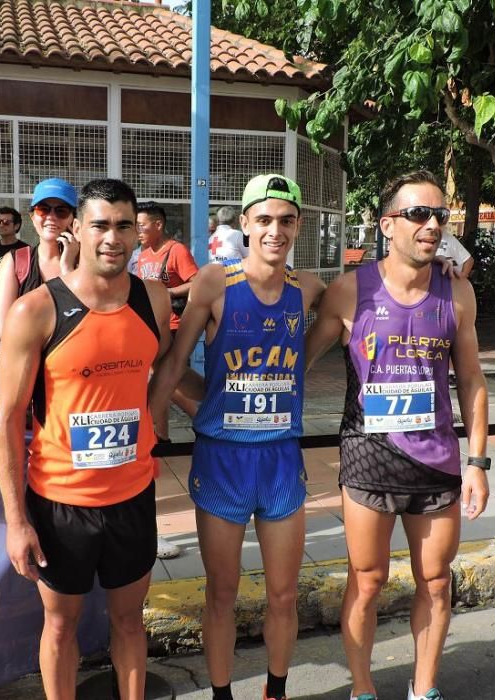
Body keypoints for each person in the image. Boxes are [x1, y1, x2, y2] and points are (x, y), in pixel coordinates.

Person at [305, 170, 489, 700]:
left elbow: (473, 381)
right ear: (387, 224)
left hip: (437, 461)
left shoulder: (456, 292)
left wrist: (478, 463)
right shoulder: (348, 290)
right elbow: (299, 361)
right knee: (367, 580)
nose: (432, 225)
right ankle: (363, 690)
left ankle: (424, 688)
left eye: (440, 216)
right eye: (418, 214)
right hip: (368, 457)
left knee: (435, 581)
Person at [0, 179, 171, 700]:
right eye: (99, 225)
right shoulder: (37, 311)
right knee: (61, 625)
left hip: (133, 495)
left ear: (137, 234)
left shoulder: (153, 299)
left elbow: (155, 372)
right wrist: (16, 521)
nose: (112, 238)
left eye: (123, 226)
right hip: (61, 503)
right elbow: (6, 420)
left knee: (131, 622)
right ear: (77, 228)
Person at [150, 174, 326, 700]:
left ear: (298, 226)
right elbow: (174, 364)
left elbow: (375, 289)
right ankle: (222, 694)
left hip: (279, 461)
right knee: (222, 594)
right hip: (222, 460)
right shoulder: (213, 282)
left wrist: (449, 265)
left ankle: (276, 689)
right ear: (245, 224)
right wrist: (152, 435)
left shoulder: (310, 288)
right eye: (265, 220)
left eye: (287, 221)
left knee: (283, 594)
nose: (276, 231)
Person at [136, 201, 199, 432]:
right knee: (161, 379)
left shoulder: (176, 251)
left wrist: (168, 292)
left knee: (164, 380)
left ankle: (196, 419)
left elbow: (197, 282)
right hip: (152, 325)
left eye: (141, 225)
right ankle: (161, 435)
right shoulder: (143, 256)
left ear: (158, 225)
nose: (137, 231)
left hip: (174, 324)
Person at [0, 178, 78, 339]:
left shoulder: (84, 261)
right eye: (43, 209)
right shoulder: (15, 261)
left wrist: (68, 270)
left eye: (61, 211)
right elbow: (2, 330)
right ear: (32, 217)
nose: (51, 217)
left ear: (73, 219)